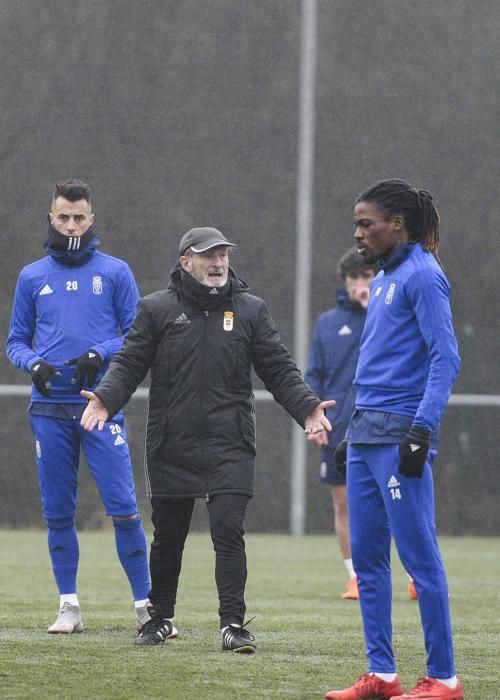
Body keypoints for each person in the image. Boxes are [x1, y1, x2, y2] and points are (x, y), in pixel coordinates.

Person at [80, 226, 335, 652]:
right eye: (207, 255)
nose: (217, 263)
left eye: (222, 255)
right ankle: (159, 618)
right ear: (186, 262)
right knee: (168, 536)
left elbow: (278, 367)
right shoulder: (156, 309)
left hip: (229, 443)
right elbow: (129, 363)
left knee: (228, 529)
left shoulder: (250, 310)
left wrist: (307, 408)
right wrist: (106, 399)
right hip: (171, 443)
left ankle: (233, 625)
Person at [324, 180, 463, 700]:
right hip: (365, 437)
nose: (359, 234)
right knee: (368, 560)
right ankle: (382, 675)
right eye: (357, 224)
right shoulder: (383, 279)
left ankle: (444, 679)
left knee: (419, 557)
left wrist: (421, 430)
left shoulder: (424, 276)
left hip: (400, 437)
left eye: (367, 224)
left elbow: (445, 358)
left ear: (397, 224)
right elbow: (376, 365)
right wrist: (352, 432)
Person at [6, 179, 151, 635]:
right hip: (49, 411)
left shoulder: (114, 272)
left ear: (92, 219)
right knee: (57, 512)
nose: (71, 224)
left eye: (79, 217)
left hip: (99, 407)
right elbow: (15, 341)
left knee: (124, 507)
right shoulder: (32, 276)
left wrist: (99, 354)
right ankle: (69, 606)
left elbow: (135, 334)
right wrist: (34, 366)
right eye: (63, 216)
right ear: (51, 218)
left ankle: (147, 607)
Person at [305, 247, 377, 600]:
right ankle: (355, 577)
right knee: (343, 502)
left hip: (383, 428)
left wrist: (376, 310)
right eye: (355, 279)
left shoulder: (392, 315)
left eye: (367, 277)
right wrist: (316, 419)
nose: (360, 285)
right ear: (346, 282)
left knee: (396, 502)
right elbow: (313, 376)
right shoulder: (328, 323)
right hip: (339, 433)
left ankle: (415, 574)